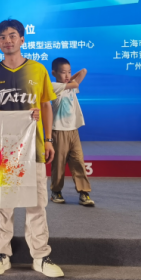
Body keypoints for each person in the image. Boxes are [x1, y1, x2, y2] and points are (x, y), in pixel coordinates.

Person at [0, 19, 64, 279]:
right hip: (2, 150)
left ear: (22, 39)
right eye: (2, 37)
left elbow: (46, 105)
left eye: (12, 35)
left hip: (33, 147)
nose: (7, 41)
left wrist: (48, 139)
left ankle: (40, 256)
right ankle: (1, 253)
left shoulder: (38, 70)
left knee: (36, 204)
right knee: (4, 204)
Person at [49, 57, 94, 207]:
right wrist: (70, 80)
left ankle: (84, 192)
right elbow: (75, 83)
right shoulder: (54, 86)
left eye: (69, 72)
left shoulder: (69, 85)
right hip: (59, 131)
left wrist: (69, 77)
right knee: (59, 164)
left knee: (78, 162)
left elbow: (83, 71)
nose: (67, 75)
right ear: (54, 73)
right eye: (63, 72)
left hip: (73, 131)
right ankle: (56, 191)